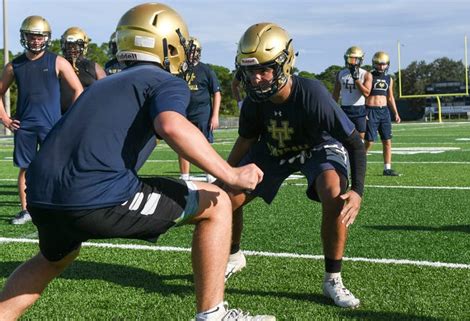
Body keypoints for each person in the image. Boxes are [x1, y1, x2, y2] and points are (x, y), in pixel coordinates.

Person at [0, 4, 274, 321]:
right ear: (168, 44)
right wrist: (230, 173)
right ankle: (213, 315)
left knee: (52, 258)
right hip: (94, 198)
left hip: (40, 196)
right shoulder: (163, 81)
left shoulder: (103, 83)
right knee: (218, 202)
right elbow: (170, 124)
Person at [222, 23, 367, 309]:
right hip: (276, 149)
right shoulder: (253, 101)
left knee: (334, 191)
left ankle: (332, 278)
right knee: (226, 197)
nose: (258, 79)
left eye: (265, 70)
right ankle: (234, 256)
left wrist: (359, 190)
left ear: (285, 64)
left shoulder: (312, 93)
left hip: (316, 147)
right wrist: (224, 174)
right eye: (251, 72)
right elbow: (246, 140)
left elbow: (354, 144)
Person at [0, 15, 83, 225]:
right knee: (25, 168)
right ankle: (26, 210)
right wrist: (5, 120)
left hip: (53, 126)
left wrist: (69, 119)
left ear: (46, 38)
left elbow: (78, 90)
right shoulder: (14, 66)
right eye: (32, 36)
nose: (36, 40)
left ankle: (56, 206)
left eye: (40, 37)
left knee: (55, 167)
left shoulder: (57, 61)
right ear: (24, 37)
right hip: (25, 127)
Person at [178, 37, 222, 183]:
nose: (190, 54)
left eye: (193, 51)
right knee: (182, 144)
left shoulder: (206, 69)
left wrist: (215, 115)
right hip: (184, 112)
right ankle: (185, 176)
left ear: (198, 52)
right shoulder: (179, 69)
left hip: (203, 113)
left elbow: (216, 93)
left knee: (204, 144)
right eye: (188, 51)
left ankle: (209, 174)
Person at [364, 51, 401, 176]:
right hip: (371, 110)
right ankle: (357, 164)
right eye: (379, 64)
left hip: (384, 111)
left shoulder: (389, 79)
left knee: (387, 140)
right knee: (369, 142)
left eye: (383, 64)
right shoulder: (369, 76)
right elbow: (364, 95)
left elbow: (390, 97)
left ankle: (387, 168)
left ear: (387, 64)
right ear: (374, 64)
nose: (381, 66)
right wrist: (364, 111)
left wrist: (395, 113)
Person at [60, 26, 106, 113]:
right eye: (69, 45)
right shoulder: (59, 64)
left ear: (83, 46)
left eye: (75, 45)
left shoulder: (93, 67)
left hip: (86, 115)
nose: (72, 48)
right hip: (60, 117)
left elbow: (105, 91)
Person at [332, 46, 372, 139]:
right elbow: (336, 93)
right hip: (345, 109)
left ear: (360, 60)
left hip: (359, 109)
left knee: (360, 138)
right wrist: (333, 108)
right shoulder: (341, 73)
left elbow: (366, 93)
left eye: (355, 59)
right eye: (350, 59)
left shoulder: (366, 74)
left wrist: (356, 80)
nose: (352, 62)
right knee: (344, 138)